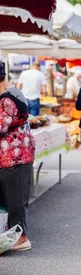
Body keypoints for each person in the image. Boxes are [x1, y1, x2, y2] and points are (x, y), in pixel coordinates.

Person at [0, 61, 35, 251]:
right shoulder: (15, 92)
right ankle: (15, 235)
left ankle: (21, 238)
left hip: (13, 157)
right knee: (14, 199)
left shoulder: (7, 100)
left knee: (14, 200)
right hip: (18, 155)